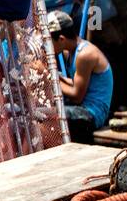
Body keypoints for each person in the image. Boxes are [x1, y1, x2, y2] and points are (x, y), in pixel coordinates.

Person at [47, 10, 113, 142]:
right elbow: (74, 83)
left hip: (91, 113)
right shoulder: (70, 52)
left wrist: (49, 77)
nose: (48, 47)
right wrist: (56, 76)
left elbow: (77, 96)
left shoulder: (85, 55)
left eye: (49, 42)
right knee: (42, 110)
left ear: (61, 39)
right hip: (80, 107)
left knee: (46, 116)